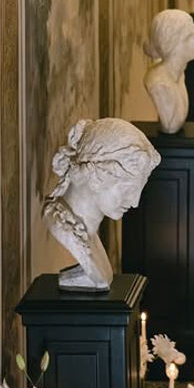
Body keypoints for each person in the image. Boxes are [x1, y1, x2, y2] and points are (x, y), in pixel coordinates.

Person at [43, 118, 160, 290]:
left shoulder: (90, 236)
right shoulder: (61, 225)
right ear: (97, 175)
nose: (135, 202)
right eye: (128, 189)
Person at [143, 8, 194, 134]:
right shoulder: (159, 83)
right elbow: (171, 126)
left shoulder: (179, 74)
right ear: (173, 44)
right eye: (190, 36)